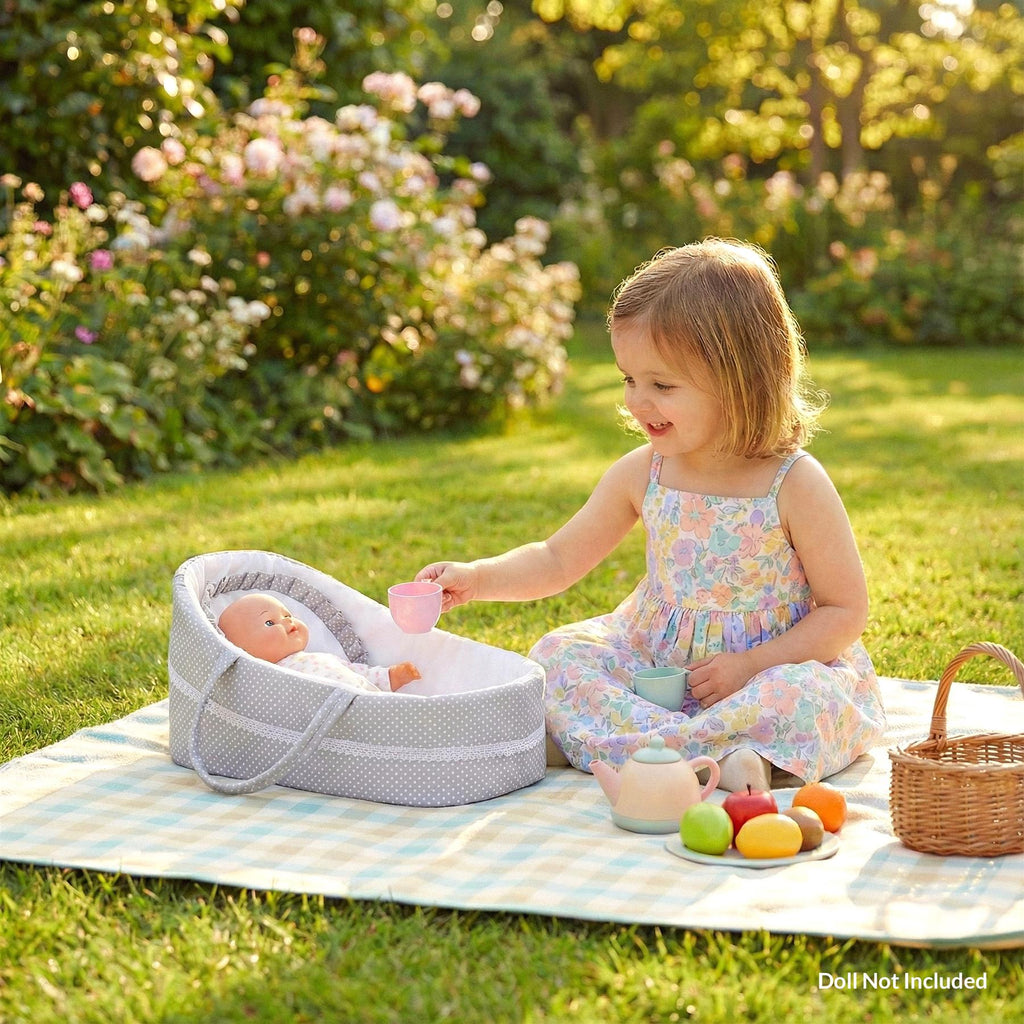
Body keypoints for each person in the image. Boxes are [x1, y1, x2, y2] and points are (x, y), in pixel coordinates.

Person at [416, 238, 885, 791]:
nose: (638, 401)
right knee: (559, 656)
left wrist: (753, 665)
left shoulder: (794, 484)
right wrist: (477, 578)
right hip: (655, 666)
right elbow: (557, 558)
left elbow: (844, 610)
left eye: (661, 385)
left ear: (741, 379)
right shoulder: (645, 472)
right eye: (629, 379)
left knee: (804, 697)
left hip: (765, 669)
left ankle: (706, 753)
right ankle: (699, 751)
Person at [218, 593, 420, 692]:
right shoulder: (267, 681)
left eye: (287, 615)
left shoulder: (320, 659)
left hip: (370, 705)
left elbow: (360, 673)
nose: (287, 621)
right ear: (244, 650)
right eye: (270, 622)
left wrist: (391, 676)